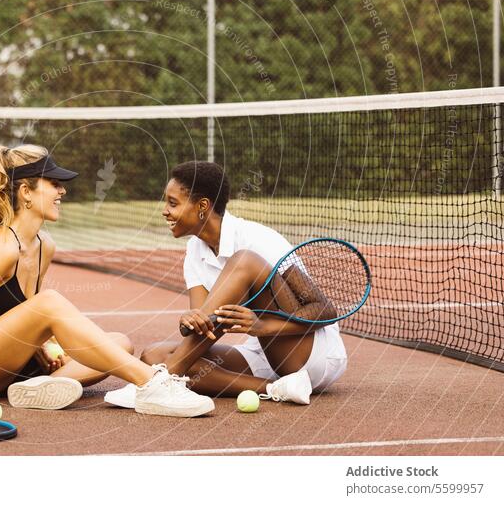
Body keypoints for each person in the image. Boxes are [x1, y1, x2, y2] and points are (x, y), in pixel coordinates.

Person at [0, 145, 215, 417]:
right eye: (53, 183)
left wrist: (43, 342)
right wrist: (35, 341)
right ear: (26, 192)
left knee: (119, 343)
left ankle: (31, 390)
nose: (62, 190)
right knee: (49, 303)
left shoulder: (44, 246)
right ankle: (151, 384)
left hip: (9, 367)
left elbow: (24, 317)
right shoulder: (3, 249)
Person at [105, 161, 348, 408]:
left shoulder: (256, 239)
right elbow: (201, 327)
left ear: (202, 207)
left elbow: (325, 309)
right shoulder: (194, 250)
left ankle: (161, 380)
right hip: (264, 359)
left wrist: (262, 326)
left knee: (244, 261)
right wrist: (190, 319)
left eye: (173, 203)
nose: (165, 211)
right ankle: (279, 389)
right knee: (153, 355)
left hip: (311, 356)